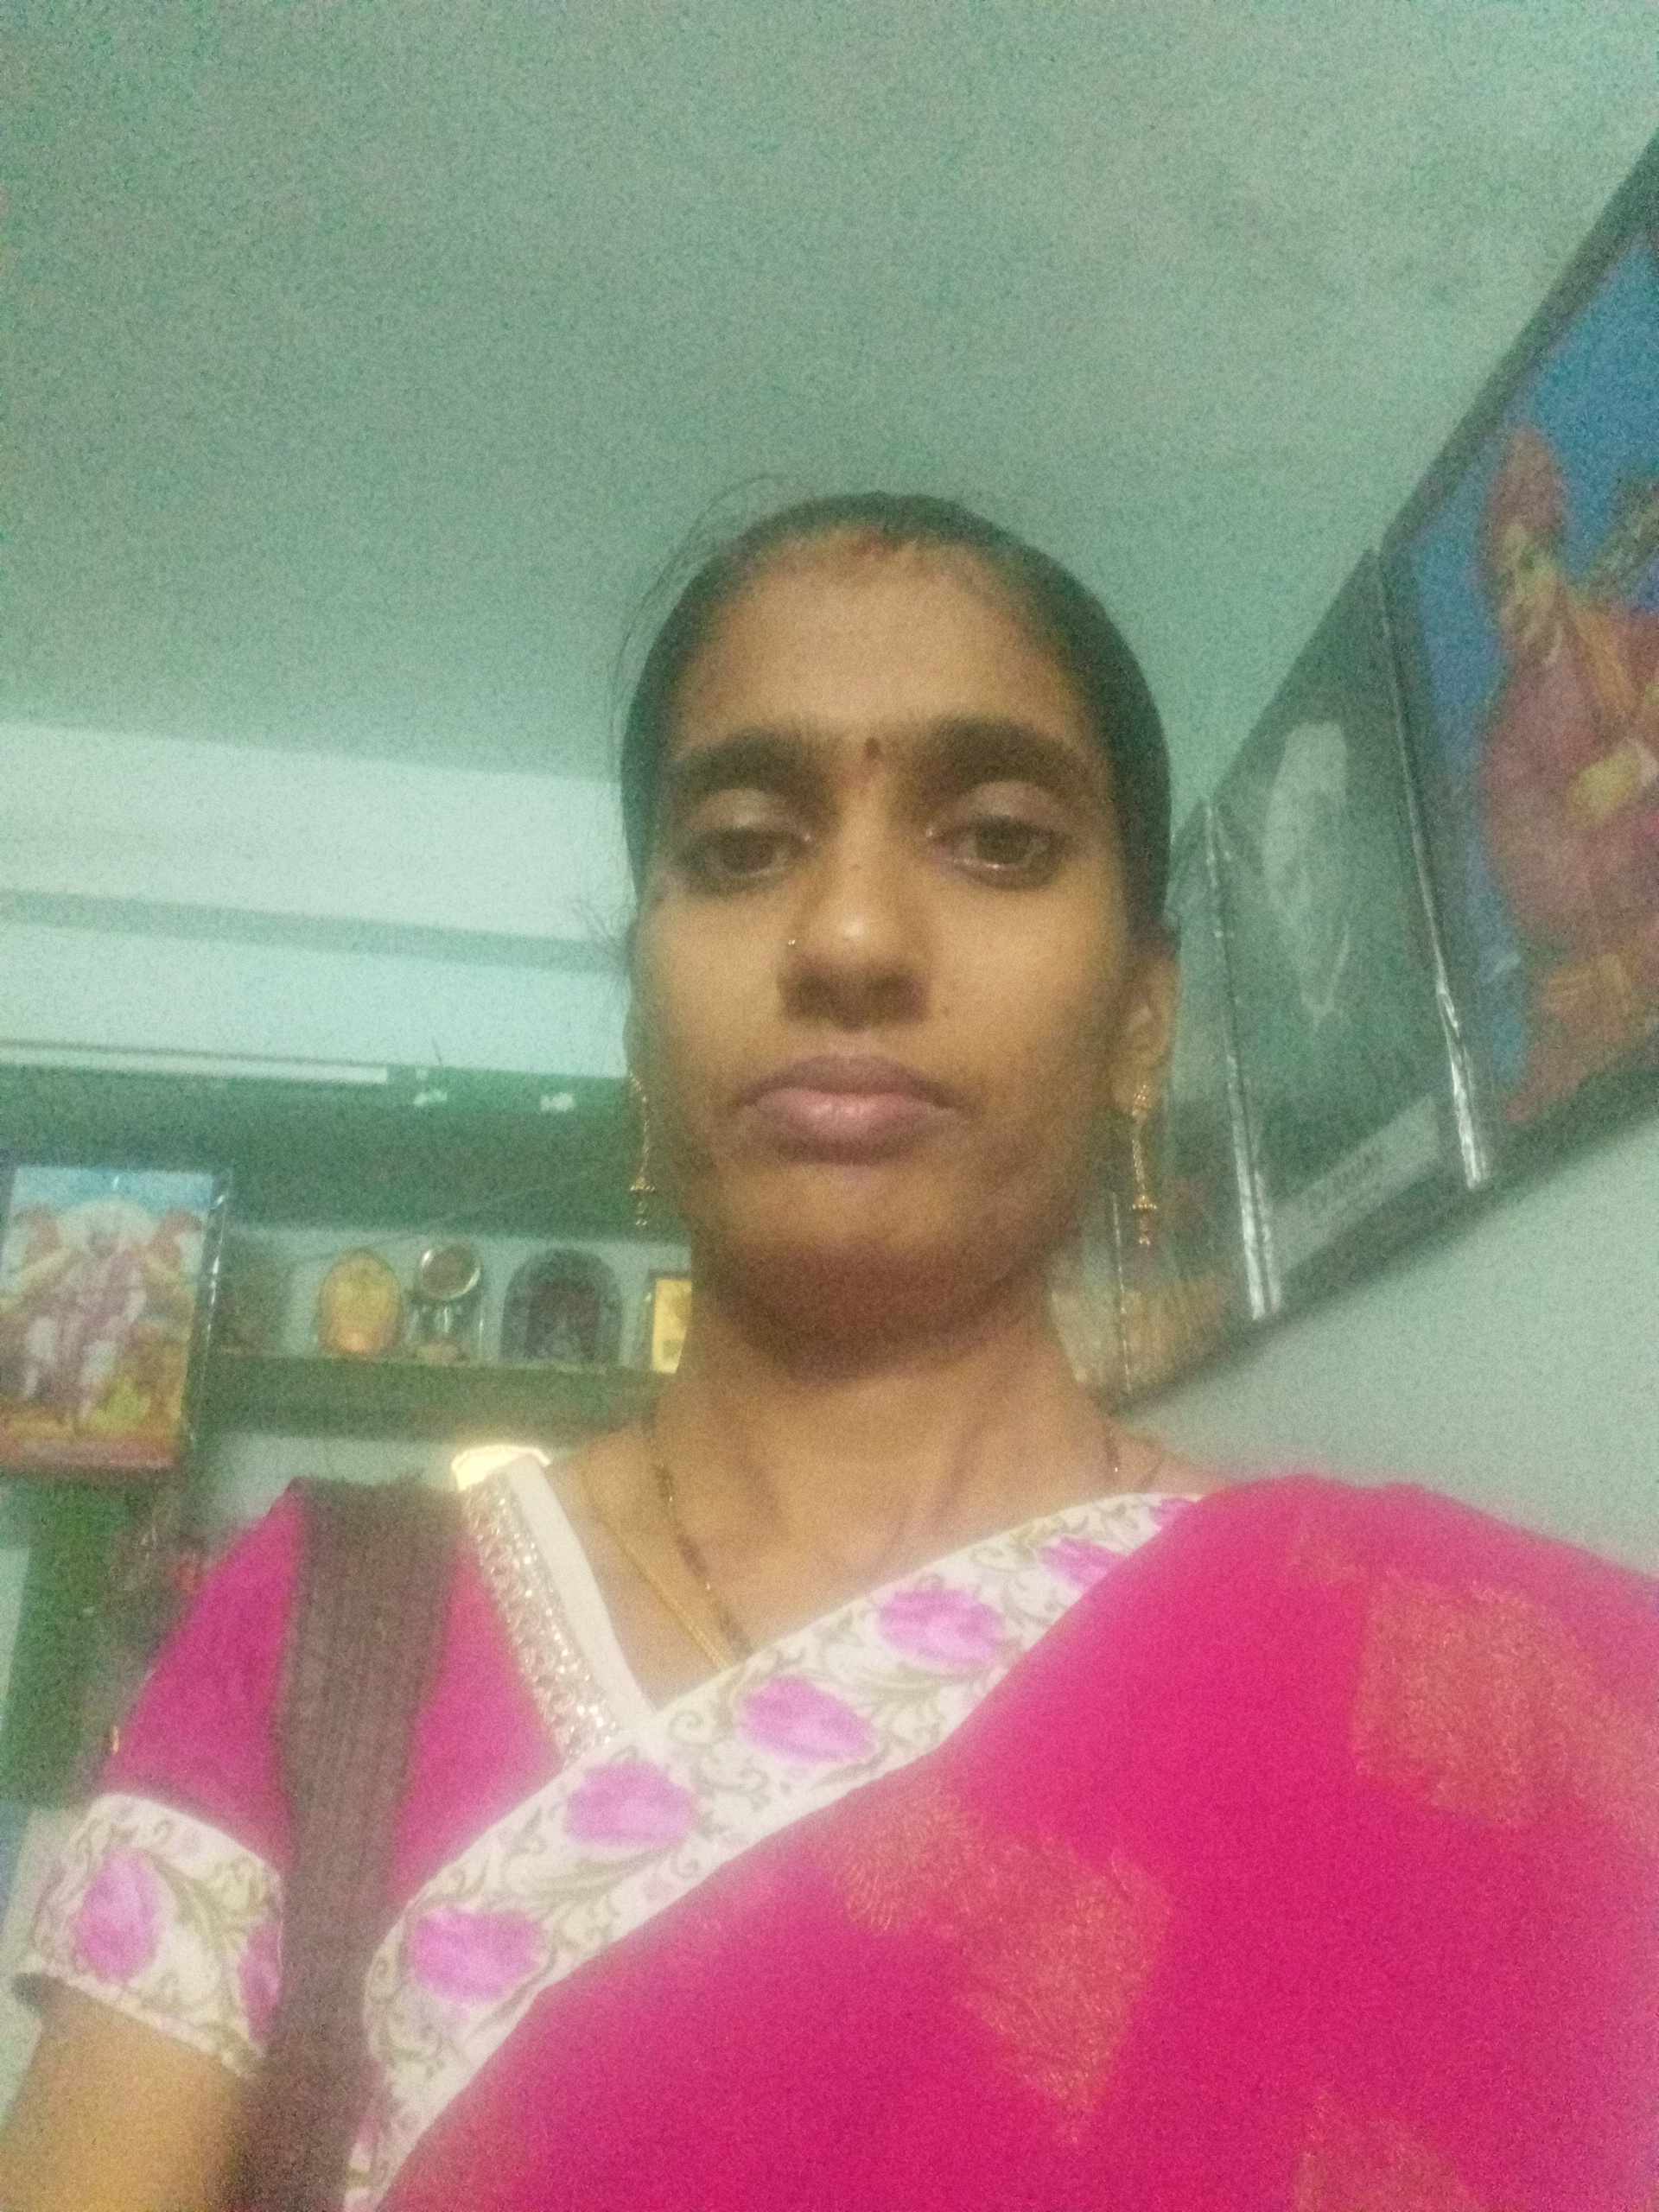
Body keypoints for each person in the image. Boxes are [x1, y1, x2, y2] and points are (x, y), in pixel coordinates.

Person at [2, 494, 1655, 2211]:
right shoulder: (330, 1630)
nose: (851, 937)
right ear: (641, 1014)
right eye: (740, 846)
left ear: (1143, 1018)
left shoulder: (1475, 1692)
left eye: (998, 838)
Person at [1478, 423, 1659, 1122]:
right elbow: (1549, 890)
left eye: (1528, 567)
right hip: (1594, 1003)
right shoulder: (1503, 751)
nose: (1518, 597)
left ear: (1556, 563)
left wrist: (1635, 763)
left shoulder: (1626, 642)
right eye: (1500, 589)